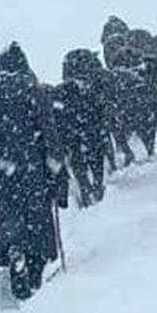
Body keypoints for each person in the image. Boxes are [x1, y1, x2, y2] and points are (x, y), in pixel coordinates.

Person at [0, 42, 67, 304]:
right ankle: (35, 272)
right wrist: (58, 179)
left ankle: (14, 253)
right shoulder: (34, 91)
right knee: (36, 226)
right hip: (32, 174)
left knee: (5, 224)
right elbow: (50, 138)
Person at [52, 49, 109, 207]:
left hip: (74, 134)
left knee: (78, 161)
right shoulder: (94, 91)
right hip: (90, 132)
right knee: (96, 158)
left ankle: (86, 188)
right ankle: (95, 187)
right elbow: (100, 112)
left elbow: (58, 117)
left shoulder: (61, 92)